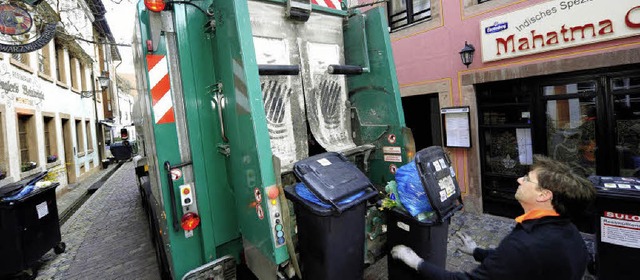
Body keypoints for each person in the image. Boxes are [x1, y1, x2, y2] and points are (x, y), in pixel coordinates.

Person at [391, 154, 596, 280]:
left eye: (527, 179)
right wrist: (476, 251)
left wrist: (415, 262)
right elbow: (516, 264)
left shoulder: (525, 243)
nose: (519, 179)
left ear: (544, 195)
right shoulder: (568, 231)